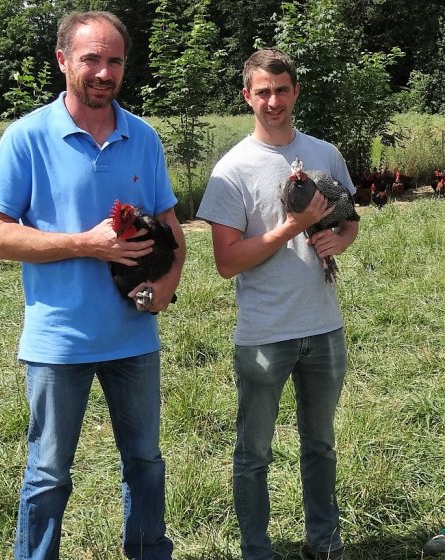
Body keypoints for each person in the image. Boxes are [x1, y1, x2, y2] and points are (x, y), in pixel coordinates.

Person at [0, 10, 184, 560]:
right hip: (58, 339)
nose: (103, 71)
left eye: (114, 60)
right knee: (48, 473)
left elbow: (171, 227)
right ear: (64, 59)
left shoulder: (143, 137)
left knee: (144, 462)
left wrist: (167, 285)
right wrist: (84, 244)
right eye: (91, 58)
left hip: (133, 338)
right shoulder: (26, 137)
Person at [196, 48, 359, 560]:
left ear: (295, 92)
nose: (272, 101)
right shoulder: (233, 170)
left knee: (320, 446)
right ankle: (256, 550)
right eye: (262, 91)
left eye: (281, 90)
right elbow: (226, 261)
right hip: (265, 332)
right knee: (254, 454)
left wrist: (342, 238)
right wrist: (293, 226)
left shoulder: (325, 154)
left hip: (324, 326)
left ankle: (324, 543)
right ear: (247, 95)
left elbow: (349, 217)